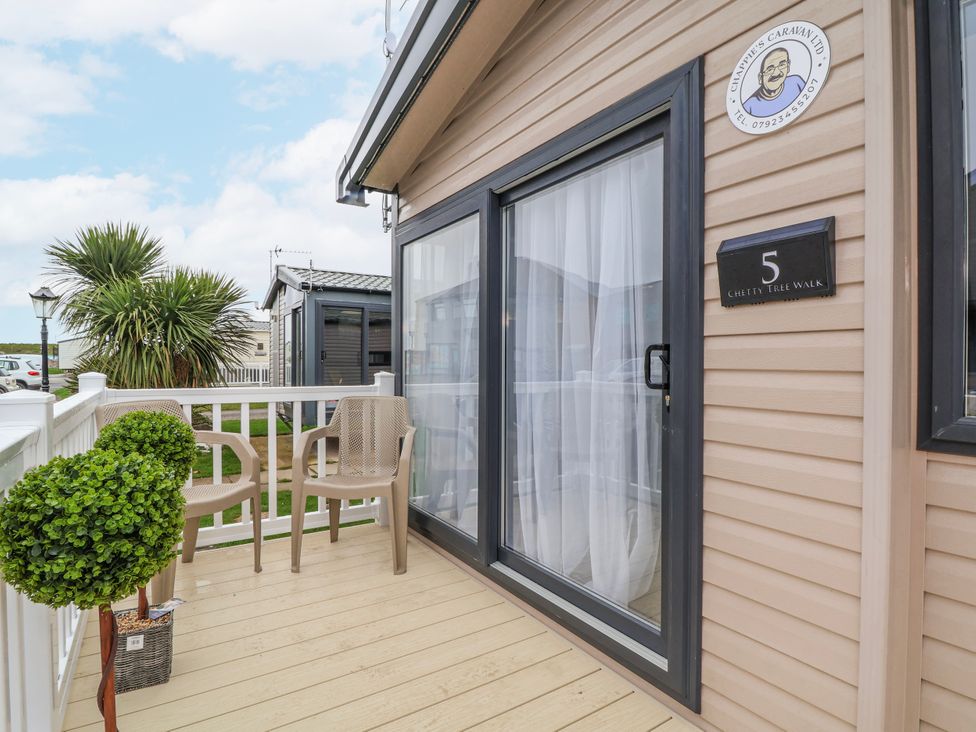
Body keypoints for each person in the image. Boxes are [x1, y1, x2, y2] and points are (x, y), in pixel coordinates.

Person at [744, 47, 805, 117]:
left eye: (782, 65)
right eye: (770, 69)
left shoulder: (796, 83)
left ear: (788, 66)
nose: (776, 73)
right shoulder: (749, 107)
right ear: (760, 78)